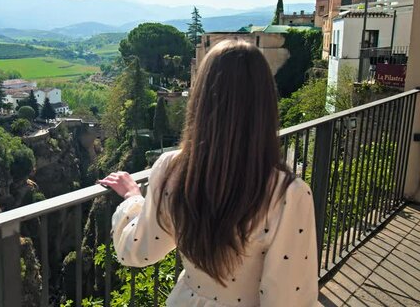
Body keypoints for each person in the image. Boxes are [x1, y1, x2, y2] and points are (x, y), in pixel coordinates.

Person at [98, 40, 318, 306]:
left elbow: (138, 251)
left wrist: (133, 199)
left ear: (201, 101)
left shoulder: (172, 170)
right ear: (266, 104)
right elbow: (288, 300)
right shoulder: (287, 195)